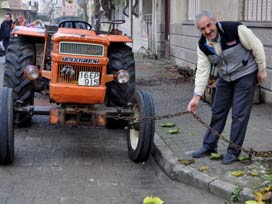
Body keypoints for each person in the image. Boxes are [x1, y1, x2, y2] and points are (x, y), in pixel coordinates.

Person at [187, 11, 267, 165]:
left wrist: (262, 69)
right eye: (202, 29)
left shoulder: (235, 29)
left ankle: (233, 151)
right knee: (217, 111)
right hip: (224, 77)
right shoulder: (202, 45)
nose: (207, 31)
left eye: (209, 25)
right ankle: (209, 146)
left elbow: (256, 45)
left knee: (239, 114)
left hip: (245, 74)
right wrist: (196, 96)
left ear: (215, 21)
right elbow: (203, 70)